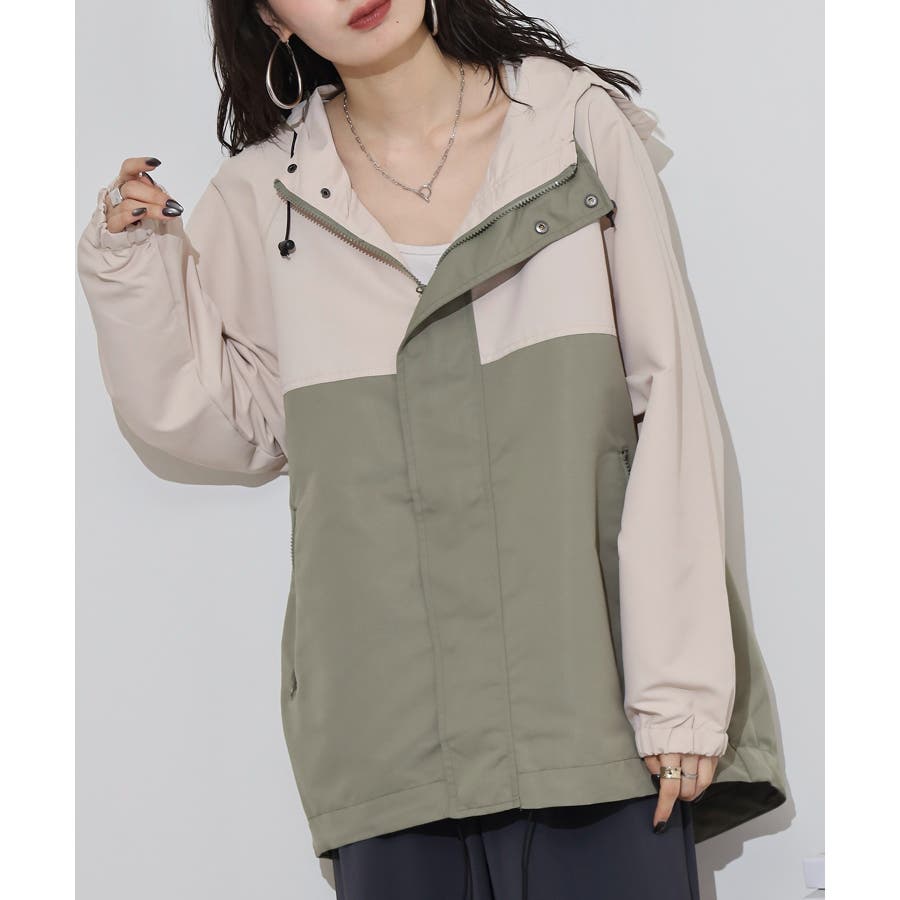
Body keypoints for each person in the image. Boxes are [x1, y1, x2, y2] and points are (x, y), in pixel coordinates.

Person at [76, 2, 787, 897]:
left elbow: (673, 404)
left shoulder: (566, 127)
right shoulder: (264, 193)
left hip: (592, 701)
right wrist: (137, 267)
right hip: (391, 731)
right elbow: (232, 427)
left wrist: (680, 693)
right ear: (272, 19)